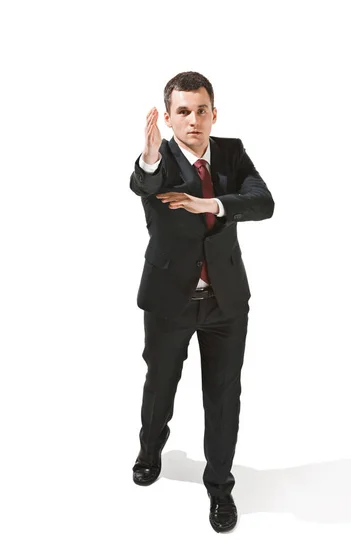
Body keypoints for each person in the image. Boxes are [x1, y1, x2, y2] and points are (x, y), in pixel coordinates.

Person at [129, 71, 274, 533]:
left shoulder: (230, 151)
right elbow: (146, 185)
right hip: (170, 300)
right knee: (161, 380)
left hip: (225, 301)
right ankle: (151, 447)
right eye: (184, 112)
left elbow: (263, 202)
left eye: (202, 110)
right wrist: (149, 158)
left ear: (215, 113)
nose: (194, 120)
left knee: (224, 394)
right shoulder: (160, 158)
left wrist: (211, 205)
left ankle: (220, 485)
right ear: (169, 117)